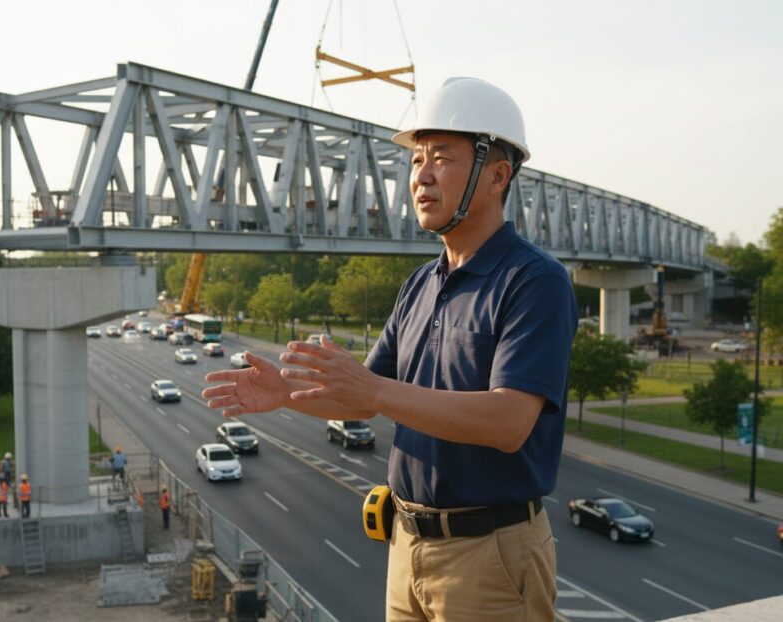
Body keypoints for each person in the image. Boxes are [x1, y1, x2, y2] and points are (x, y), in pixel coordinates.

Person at [203, 77, 576, 621]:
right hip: (406, 544)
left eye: (442, 158)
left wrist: (373, 387)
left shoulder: (534, 280)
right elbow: (360, 400)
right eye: (416, 159)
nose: (420, 176)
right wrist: (287, 393)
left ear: (497, 175)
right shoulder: (421, 283)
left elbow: (508, 421)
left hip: (489, 555)